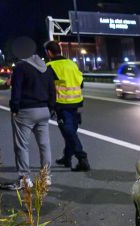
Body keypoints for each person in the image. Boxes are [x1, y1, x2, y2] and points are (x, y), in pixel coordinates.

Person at [8, 36, 55, 190]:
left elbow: (16, 90)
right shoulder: (45, 67)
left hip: (26, 111)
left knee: (22, 145)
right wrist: (51, 107)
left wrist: (15, 108)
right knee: (44, 145)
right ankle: (46, 177)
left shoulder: (21, 67)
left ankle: (24, 179)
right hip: (44, 110)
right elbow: (52, 90)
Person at [44, 40, 90, 171]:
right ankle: (67, 157)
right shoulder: (71, 64)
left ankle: (82, 158)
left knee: (68, 131)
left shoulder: (50, 66)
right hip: (76, 102)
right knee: (70, 131)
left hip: (62, 103)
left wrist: (50, 105)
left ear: (49, 52)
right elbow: (81, 83)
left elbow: (48, 88)